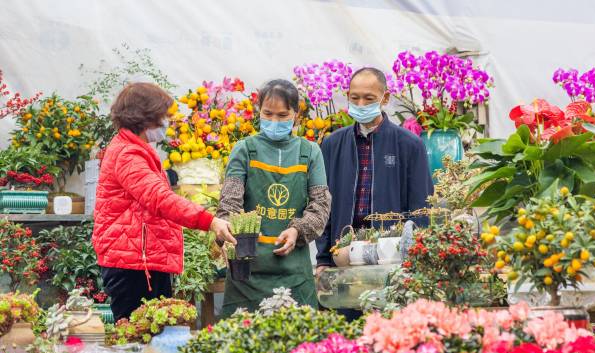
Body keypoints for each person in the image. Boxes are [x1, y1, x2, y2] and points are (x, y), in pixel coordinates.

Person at [92, 82, 235, 321]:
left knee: (150, 337)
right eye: (163, 117)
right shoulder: (128, 155)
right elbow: (160, 199)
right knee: (138, 340)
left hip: (140, 259)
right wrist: (209, 221)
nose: (167, 123)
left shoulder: (133, 149)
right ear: (145, 117)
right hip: (134, 264)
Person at [216, 79, 331, 316]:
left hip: (294, 274)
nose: (274, 121)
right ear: (259, 111)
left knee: (298, 346)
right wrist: (226, 232)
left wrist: (298, 230)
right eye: (268, 114)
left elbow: (320, 204)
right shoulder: (245, 149)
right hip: (246, 276)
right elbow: (229, 203)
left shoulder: (310, 152)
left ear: (296, 115)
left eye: (282, 114)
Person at [316, 67, 433, 298]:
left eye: (369, 98)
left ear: (385, 98)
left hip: (391, 259)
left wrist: (412, 259)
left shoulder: (409, 145)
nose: (360, 104)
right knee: (345, 324)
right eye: (354, 98)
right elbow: (323, 206)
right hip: (342, 257)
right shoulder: (332, 144)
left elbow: (421, 208)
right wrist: (323, 259)